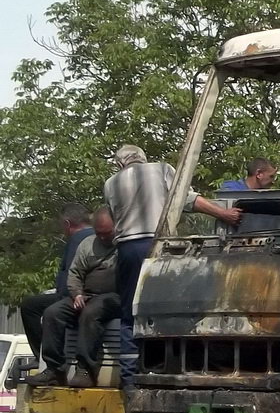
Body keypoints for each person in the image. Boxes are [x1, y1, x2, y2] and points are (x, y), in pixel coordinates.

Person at [104, 144, 241, 385]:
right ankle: (168, 367)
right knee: (166, 307)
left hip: (127, 248)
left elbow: (117, 218)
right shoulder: (162, 169)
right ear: (144, 158)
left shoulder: (110, 183)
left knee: (129, 314)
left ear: (120, 164)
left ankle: (129, 378)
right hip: (159, 245)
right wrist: (223, 214)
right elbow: (188, 199)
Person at [27, 207, 121, 387]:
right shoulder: (87, 244)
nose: (103, 237)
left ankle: (85, 369)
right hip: (86, 295)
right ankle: (54, 369)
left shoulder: (124, 245)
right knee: (52, 312)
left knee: (90, 313)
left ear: (117, 227)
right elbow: (75, 273)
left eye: (107, 233)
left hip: (113, 298)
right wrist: (77, 293)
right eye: (99, 233)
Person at [19, 203, 94, 364]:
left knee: (29, 306)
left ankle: (41, 356)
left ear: (67, 224)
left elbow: (70, 276)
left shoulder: (76, 240)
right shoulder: (96, 236)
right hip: (92, 295)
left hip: (74, 297)